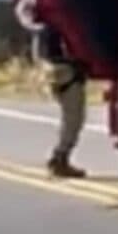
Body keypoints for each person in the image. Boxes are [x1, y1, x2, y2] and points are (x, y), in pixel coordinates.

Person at [40, 20, 88, 178]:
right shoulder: (63, 22)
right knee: (73, 118)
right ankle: (60, 157)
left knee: (71, 118)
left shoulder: (50, 23)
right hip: (65, 71)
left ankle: (61, 156)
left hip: (56, 69)